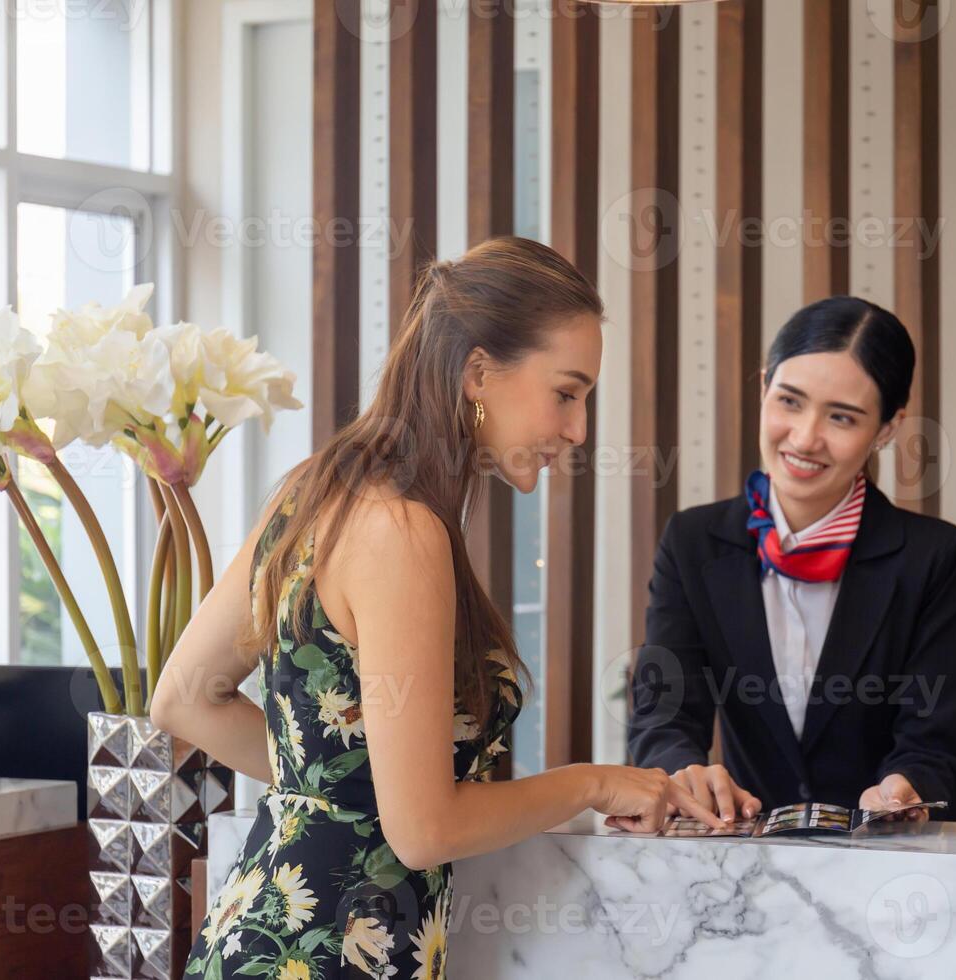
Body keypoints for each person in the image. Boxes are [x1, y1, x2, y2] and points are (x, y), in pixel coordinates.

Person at [154, 237, 724, 980]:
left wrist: (359, 785)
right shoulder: (403, 531)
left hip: (260, 934)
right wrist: (593, 782)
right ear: (479, 371)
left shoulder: (316, 486)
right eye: (567, 392)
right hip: (333, 954)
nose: (579, 430)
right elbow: (424, 831)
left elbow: (184, 699)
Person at [624, 296, 956, 829]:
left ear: (886, 428)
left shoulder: (933, 556)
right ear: (764, 386)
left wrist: (906, 786)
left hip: (897, 860)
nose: (806, 437)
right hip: (747, 856)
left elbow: (935, 744)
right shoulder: (693, 542)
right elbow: (663, 713)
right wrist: (684, 770)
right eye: (789, 401)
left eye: (842, 417)